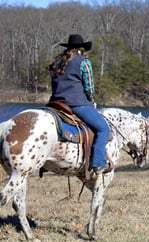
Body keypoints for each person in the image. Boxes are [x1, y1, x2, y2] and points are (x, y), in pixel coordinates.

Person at [48, 34, 110, 175]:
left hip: (54, 104)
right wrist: (91, 100)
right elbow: (89, 87)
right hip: (76, 103)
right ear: (81, 49)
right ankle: (98, 163)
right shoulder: (83, 62)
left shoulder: (56, 62)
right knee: (103, 129)